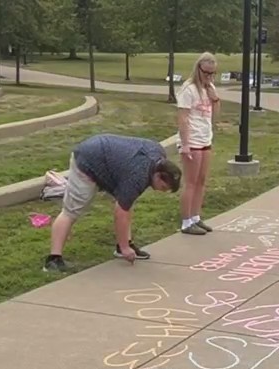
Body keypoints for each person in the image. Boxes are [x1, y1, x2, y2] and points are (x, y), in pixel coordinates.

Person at [44, 133, 182, 273]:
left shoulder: (158, 156)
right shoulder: (138, 176)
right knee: (71, 211)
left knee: (128, 200)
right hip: (88, 160)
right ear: (158, 175)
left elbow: (126, 204)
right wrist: (124, 248)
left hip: (108, 157)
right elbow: (120, 212)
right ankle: (53, 259)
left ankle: (125, 244)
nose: (162, 191)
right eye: (163, 187)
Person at [177, 52, 220, 236]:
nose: (209, 76)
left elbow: (216, 114)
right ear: (199, 69)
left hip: (205, 138)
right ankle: (186, 221)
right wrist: (185, 144)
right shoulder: (188, 89)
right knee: (191, 182)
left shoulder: (209, 87)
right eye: (207, 73)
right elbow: (183, 118)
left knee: (202, 181)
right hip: (192, 140)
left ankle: (196, 217)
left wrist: (215, 97)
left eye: (213, 73)